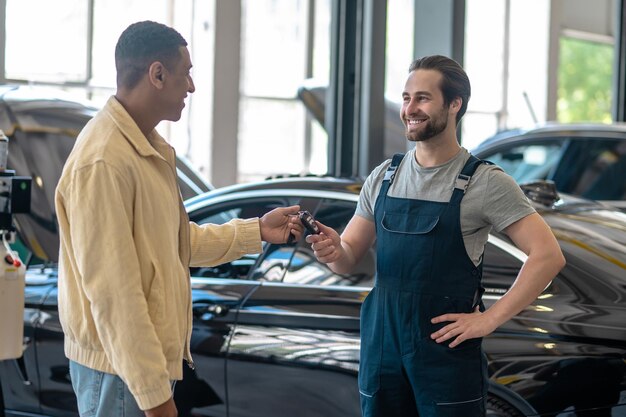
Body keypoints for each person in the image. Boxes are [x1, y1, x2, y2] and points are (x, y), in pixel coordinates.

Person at [55, 21, 303, 417]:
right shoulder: (103, 162)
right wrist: (155, 398)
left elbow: (174, 243)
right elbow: (115, 294)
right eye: (185, 72)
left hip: (134, 369)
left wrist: (256, 230)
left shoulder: (144, 149)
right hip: (120, 374)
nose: (191, 86)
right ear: (157, 74)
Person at [306, 55, 565, 417]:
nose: (410, 108)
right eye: (406, 97)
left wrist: (489, 319)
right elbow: (348, 254)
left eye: (423, 98)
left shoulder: (484, 181)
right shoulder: (384, 176)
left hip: (445, 356)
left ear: (454, 104)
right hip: (383, 348)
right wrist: (332, 249)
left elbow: (548, 256)